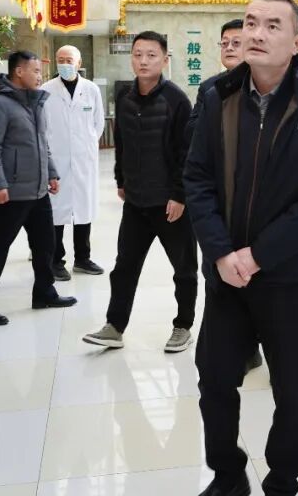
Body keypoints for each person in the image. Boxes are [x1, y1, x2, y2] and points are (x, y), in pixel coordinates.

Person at [184, 0, 298, 496]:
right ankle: (227, 474)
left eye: (272, 25)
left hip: (290, 276)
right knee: (215, 379)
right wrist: (221, 252)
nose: (256, 33)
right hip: (227, 274)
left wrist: (258, 254)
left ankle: (282, 480)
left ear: (297, 42)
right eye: (251, 22)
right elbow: (197, 177)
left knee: (291, 386)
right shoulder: (216, 95)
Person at [82, 31, 198, 354]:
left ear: (164, 59)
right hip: (135, 202)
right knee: (124, 267)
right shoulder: (125, 97)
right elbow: (121, 142)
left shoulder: (177, 100)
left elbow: (186, 152)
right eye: (138, 55)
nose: (143, 61)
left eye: (151, 55)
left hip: (170, 204)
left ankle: (183, 326)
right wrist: (121, 179)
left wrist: (180, 195)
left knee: (184, 269)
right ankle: (114, 326)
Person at [0, 51, 77, 326]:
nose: (41, 77)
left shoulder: (34, 102)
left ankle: (44, 293)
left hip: (38, 190)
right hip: (12, 192)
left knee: (45, 245)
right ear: (19, 71)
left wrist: (51, 173)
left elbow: (42, 143)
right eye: (36, 71)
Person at [187, 18, 264, 374]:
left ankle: (258, 345)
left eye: (237, 41)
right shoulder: (211, 89)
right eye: (225, 43)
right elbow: (193, 138)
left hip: (258, 204)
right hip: (221, 203)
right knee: (220, 276)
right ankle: (236, 349)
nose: (231, 48)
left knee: (259, 279)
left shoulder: (269, 89)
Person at [42, 44, 106, 281]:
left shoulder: (91, 90)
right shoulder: (46, 90)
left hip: (83, 160)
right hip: (56, 159)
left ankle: (82, 258)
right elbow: (42, 126)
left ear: (79, 64)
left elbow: (98, 124)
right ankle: (56, 260)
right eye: (60, 60)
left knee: (83, 209)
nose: (64, 64)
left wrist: (85, 145)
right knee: (56, 213)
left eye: (69, 60)